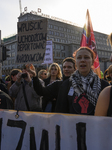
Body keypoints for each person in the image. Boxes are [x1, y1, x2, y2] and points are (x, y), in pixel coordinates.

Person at [55, 47, 109, 115]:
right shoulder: (66, 85)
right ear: (75, 62)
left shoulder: (104, 86)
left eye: (86, 57)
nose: (82, 60)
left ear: (92, 61)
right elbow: (60, 112)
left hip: (95, 125)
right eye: (79, 58)